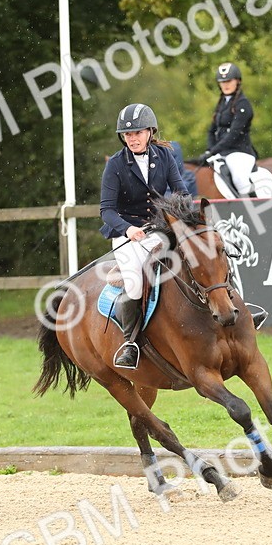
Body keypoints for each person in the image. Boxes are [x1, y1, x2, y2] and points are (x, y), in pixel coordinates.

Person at [100, 103, 188, 369]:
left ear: (150, 131)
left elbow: (181, 191)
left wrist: (177, 216)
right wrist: (128, 228)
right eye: (128, 135)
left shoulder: (164, 156)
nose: (133, 138)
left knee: (203, 254)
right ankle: (130, 343)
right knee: (136, 283)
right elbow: (107, 209)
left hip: (160, 228)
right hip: (128, 233)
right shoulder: (115, 165)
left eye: (138, 133)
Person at [194, 62, 258, 198]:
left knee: (239, 178)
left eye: (229, 81)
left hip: (240, 153)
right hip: (222, 152)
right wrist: (209, 151)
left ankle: (254, 205)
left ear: (238, 81)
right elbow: (211, 131)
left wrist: (212, 151)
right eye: (222, 82)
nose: (225, 85)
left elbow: (233, 135)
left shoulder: (243, 105)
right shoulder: (222, 103)